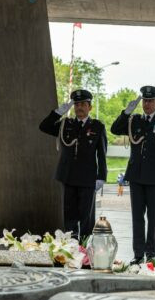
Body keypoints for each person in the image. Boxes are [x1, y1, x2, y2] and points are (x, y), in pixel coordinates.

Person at [110, 86, 155, 265]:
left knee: (154, 217)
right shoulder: (134, 120)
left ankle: (151, 253)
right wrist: (126, 112)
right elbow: (115, 129)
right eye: (145, 101)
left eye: (150, 101)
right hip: (136, 176)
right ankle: (138, 253)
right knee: (137, 217)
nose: (147, 104)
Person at [39, 89, 107, 239]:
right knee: (69, 216)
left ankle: (84, 248)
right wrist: (57, 113)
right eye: (76, 104)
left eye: (83, 104)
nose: (79, 107)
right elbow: (44, 127)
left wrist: (101, 176)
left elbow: (102, 154)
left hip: (87, 178)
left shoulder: (97, 127)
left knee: (86, 218)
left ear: (90, 107)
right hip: (68, 176)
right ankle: (70, 247)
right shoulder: (65, 124)